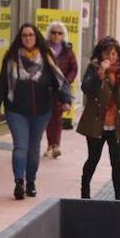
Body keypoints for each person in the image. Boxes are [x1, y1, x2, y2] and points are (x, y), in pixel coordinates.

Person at [0, 23, 71, 200]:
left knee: (34, 149)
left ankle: (31, 182)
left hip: (41, 111)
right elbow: (2, 84)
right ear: (20, 39)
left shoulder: (46, 56)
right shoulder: (12, 57)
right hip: (16, 111)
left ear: (36, 37)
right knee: (21, 147)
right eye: (24, 36)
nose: (27, 38)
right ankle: (19, 182)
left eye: (30, 35)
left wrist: (65, 99)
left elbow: (57, 79)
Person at [77, 36, 120, 200]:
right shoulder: (94, 68)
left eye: (115, 53)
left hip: (118, 123)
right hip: (97, 122)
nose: (112, 57)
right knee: (93, 159)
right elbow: (86, 89)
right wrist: (100, 73)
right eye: (109, 53)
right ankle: (85, 193)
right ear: (101, 55)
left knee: (117, 162)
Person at [44, 20, 78, 159]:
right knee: (47, 118)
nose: (56, 35)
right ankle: (50, 144)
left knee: (57, 118)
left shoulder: (67, 50)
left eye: (59, 33)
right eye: (53, 32)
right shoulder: (43, 48)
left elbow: (74, 68)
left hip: (61, 89)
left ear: (63, 35)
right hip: (46, 88)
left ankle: (56, 145)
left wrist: (66, 80)